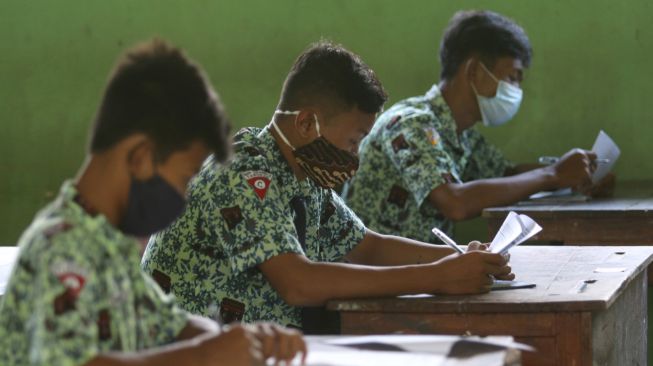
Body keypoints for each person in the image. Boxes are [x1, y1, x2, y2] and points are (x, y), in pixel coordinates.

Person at [142, 41, 513, 331]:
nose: (355, 155)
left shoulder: (304, 173)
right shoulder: (242, 172)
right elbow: (298, 282)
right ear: (307, 124)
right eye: (353, 141)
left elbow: (366, 245)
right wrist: (438, 277)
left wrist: (460, 256)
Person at [0, 39, 305, 366]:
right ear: (142, 158)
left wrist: (243, 341)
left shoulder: (109, 247)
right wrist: (205, 355)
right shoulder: (62, 247)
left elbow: (175, 325)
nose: (184, 196)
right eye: (186, 177)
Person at [344, 10, 612, 243]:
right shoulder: (410, 123)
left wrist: (574, 177)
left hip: (415, 276)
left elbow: (508, 175)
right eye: (511, 77)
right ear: (474, 70)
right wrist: (553, 174)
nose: (516, 90)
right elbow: (455, 203)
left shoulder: (461, 133)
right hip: (371, 280)